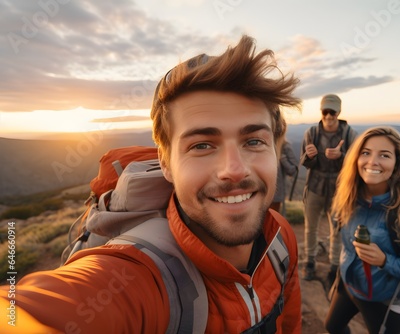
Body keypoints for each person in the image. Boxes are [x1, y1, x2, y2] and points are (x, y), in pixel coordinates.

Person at [0, 35, 303, 333]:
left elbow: (289, 323)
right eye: (201, 145)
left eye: (253, 141)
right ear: (165, 163)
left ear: (275, 149)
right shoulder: (133, 278)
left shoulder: (280, 237)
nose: (234, 170)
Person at [324, 126, 400, 334]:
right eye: (366, 153)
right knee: (332, 327)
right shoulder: (348, 198)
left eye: (384, 155)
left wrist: (386, 261)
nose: (372, 162)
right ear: (356, 159)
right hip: (349, 287)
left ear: (397, 164)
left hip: (386, 302)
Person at [300, 94, 357, 284]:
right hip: (315, 186)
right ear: (321, 111)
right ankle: (309, 262)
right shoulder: (311, 133)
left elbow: (357, 162)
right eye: (326, 111)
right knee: (310, 228)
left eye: (333, 112)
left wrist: (341, 156)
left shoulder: (349, 134)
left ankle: (334, 267)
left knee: (338, 229)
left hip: (339, 190)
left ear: (339, 112)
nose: (329, 115)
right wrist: (310, 156)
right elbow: (306, 163)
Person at [270, 140, 298, 215]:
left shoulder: (284, 146)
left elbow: (294, 171)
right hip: (257, 194)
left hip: (276, 195)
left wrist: (283, 159)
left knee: (273, 222)